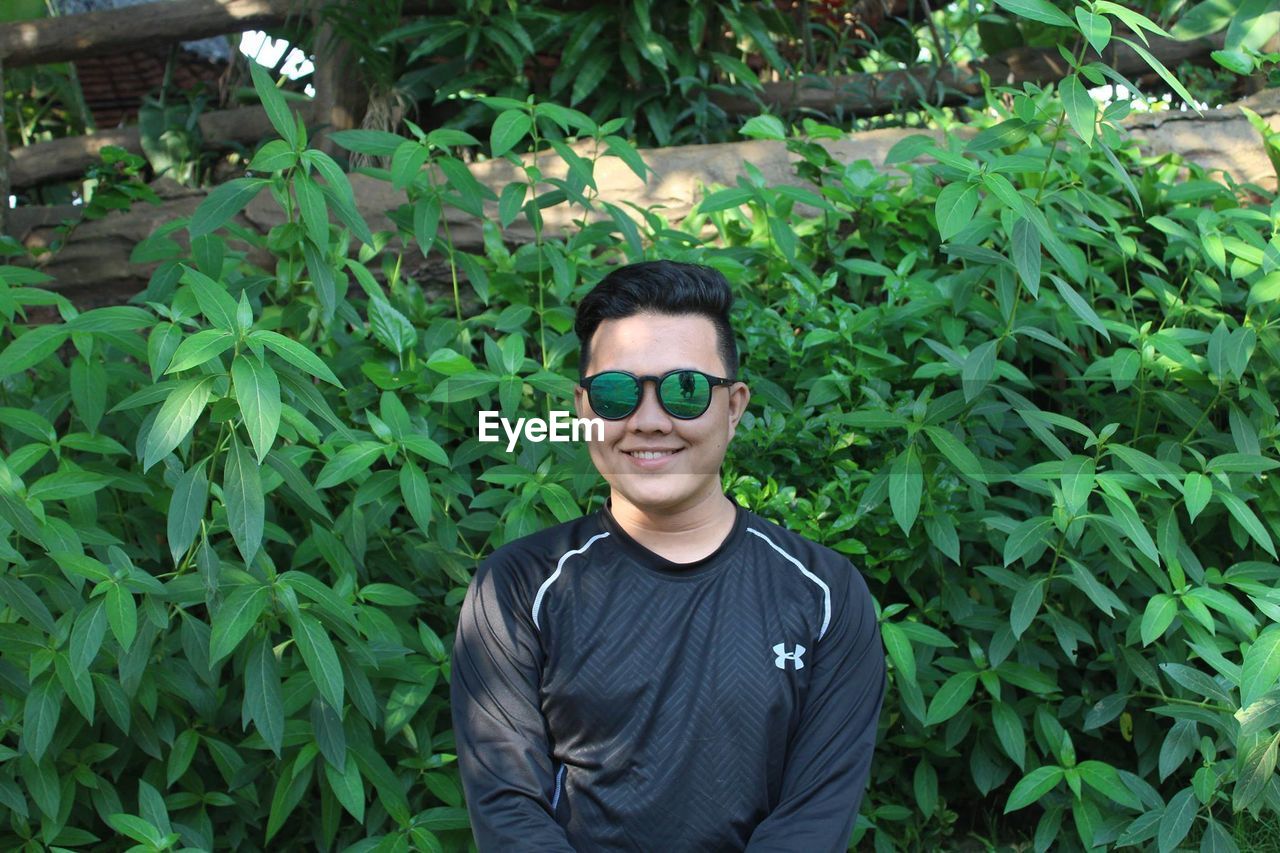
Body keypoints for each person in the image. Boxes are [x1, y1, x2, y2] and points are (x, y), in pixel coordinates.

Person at [450, 260, 887, 852]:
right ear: (583, 410)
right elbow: (511, 815)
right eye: (615, 393)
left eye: (684, 391)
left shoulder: (825, 593)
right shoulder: (518, 587)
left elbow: (812, 823)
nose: (649, 422)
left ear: (733, 407)